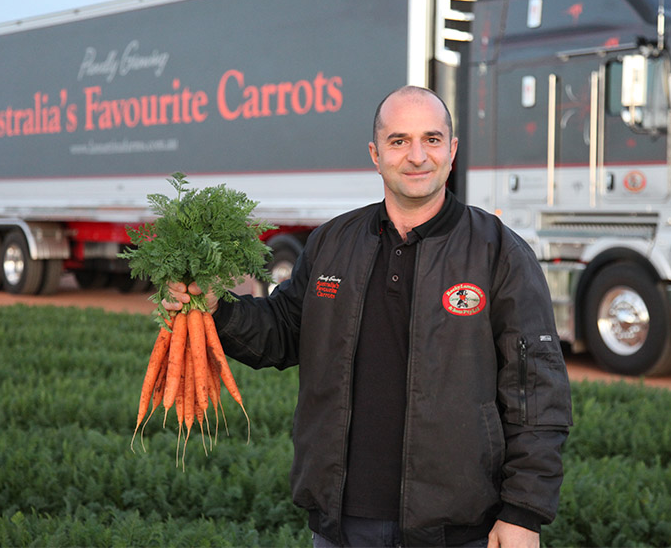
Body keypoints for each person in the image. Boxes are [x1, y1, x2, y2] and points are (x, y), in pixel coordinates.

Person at [165, 86, 573, 548]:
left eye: (432, 140)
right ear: (375, 154)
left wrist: (523, 512)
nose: (417, 156)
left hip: (458, 529)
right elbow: (282, 333)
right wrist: (219, 311)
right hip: (343, 525)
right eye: (399, 141)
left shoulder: (498, 251)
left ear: (452, 151)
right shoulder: (332, 243)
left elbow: (536, 388)